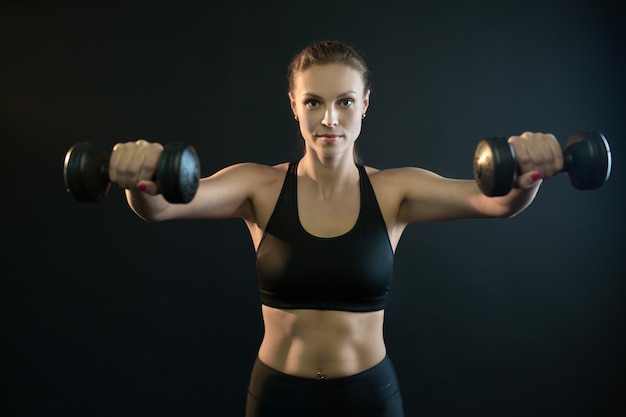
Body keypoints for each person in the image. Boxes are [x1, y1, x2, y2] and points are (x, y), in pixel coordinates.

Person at [108, 41, 563, 417]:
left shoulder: (394, 190)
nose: (330, 119)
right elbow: (162, 207)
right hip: (277, 398)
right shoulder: (258, 186)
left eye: (345, 101)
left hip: (368, 399)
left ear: (364, 104)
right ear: (294, 106)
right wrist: (141, 181)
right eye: (314, 102)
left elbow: (495, 200)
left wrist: (527, 174)